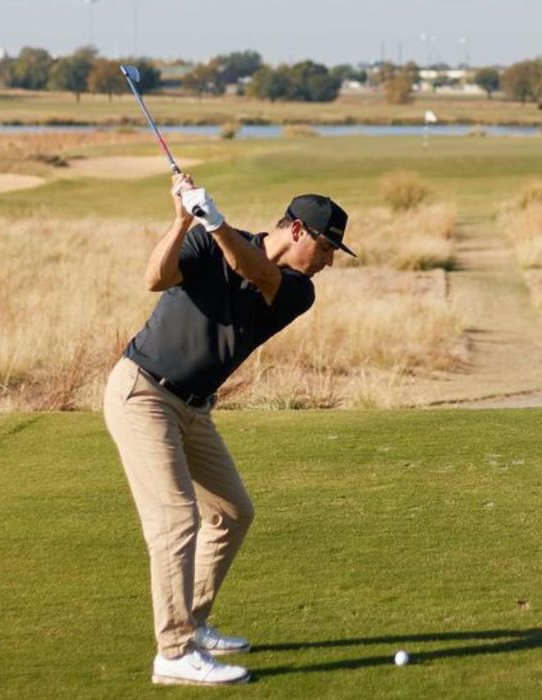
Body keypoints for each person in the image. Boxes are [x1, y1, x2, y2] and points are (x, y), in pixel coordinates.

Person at [103, 174, 354, 686]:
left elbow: (254, 267)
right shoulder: (203, 237)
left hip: (194, 409)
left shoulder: (297, 291)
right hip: (142, 394)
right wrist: (182, 222)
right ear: (299, 231)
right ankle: (173, 653)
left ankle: (192, 622)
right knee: (175, 521)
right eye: (328, 248)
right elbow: (155, 278)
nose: (329, 261)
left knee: (233, 512)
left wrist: (214, 222)